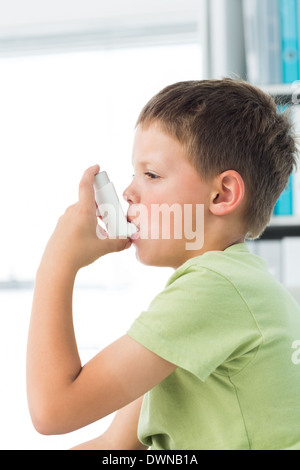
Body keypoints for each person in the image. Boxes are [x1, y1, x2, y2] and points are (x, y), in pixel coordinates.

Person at [26, 79, 300, 450]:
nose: (128, 192)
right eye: (133, 174)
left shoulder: (215, 288)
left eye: (151, 175)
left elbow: (53, 411)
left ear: (222, 195)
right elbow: (114, 446)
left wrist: (56, 261)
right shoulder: (223, 288)